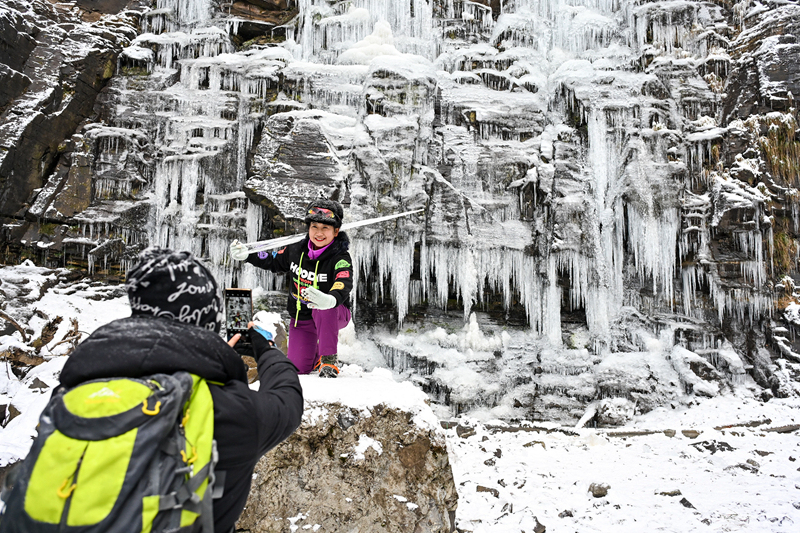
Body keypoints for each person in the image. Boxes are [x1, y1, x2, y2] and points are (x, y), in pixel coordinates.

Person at [57, 248, 303, 533]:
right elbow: (288, 399)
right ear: (208, 319)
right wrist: (266, 350)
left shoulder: (74, 393)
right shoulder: (231, 412)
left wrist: (209, 358)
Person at [229, 198, 353, 378]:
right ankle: (316, 355)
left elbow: (343, 281)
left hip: (333, 313)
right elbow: (271, 258)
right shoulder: (296, 250)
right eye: (314, 227)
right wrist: (247, 255)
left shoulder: (340, 257)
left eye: (325, 228)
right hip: (301, 319)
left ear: (336, 231)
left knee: (322, 307)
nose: (319, 233)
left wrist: (330, 299)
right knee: (298, 369)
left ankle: (328, 360)